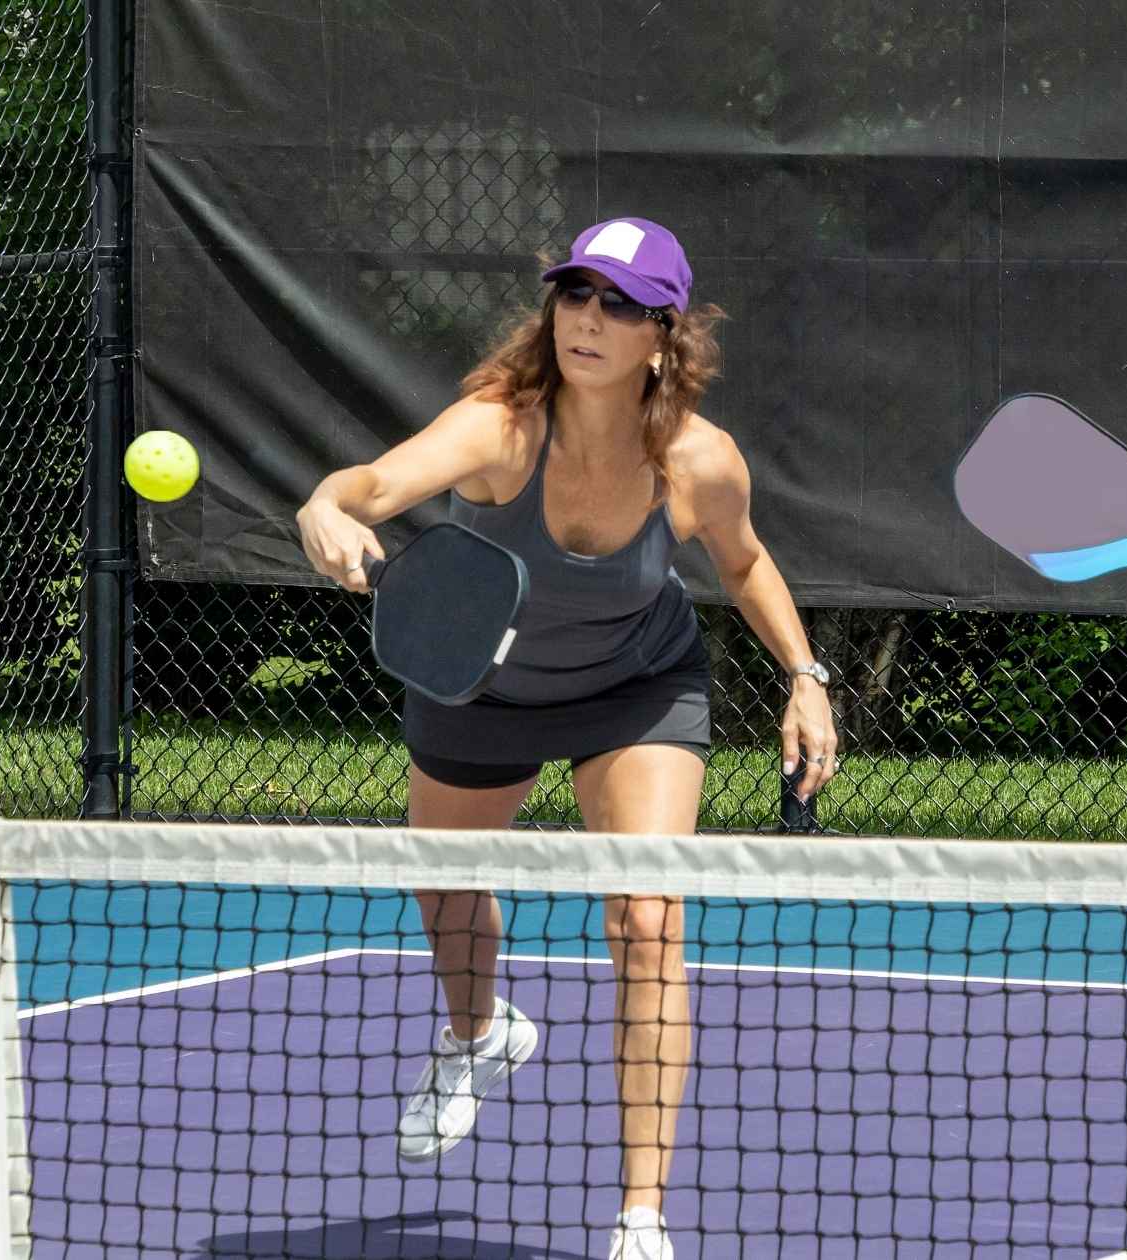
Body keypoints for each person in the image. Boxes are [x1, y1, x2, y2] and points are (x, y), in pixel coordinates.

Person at [296, 216, 840, 1260]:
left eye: (620, 305)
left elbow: (743, 563)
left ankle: (641, 1219)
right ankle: (476, 1036)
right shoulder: (498, 428)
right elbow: (369, 485)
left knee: (647, 922)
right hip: (480, 685)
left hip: (634, 689)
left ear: (663, 335)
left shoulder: (697, 461)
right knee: (445, 889)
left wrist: (804, 678)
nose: (590, 319)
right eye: (576, 295)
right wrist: (327, 505)